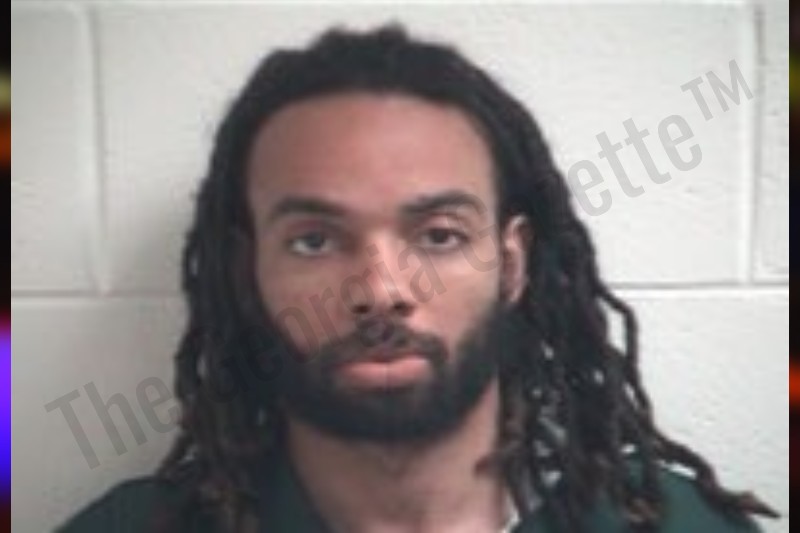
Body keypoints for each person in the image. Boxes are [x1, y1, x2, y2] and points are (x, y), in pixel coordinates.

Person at [58, 25, 778, 533]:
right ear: (246, 273)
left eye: (439, 236)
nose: (381, 290)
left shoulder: (673, 525)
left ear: (513, 264)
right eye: (314, 241)